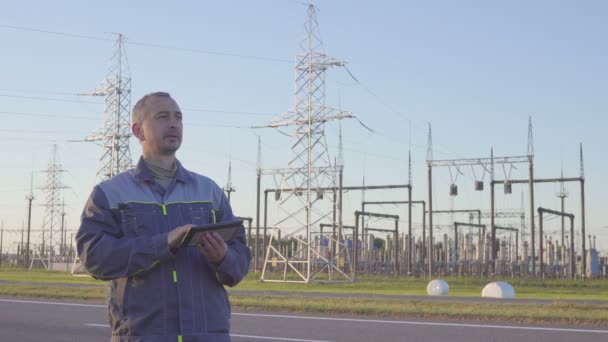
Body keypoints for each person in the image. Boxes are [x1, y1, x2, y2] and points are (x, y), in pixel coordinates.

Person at [76, 91, 251, 342]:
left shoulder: (209, 191)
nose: (173, 123)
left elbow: (239, 262)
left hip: (206, 335)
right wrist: (163, 243)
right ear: (138, 131)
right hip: (141, 335)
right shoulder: (110, 194)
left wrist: (222, 257)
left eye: (178, 117)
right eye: (162, 117)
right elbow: (94, 258)